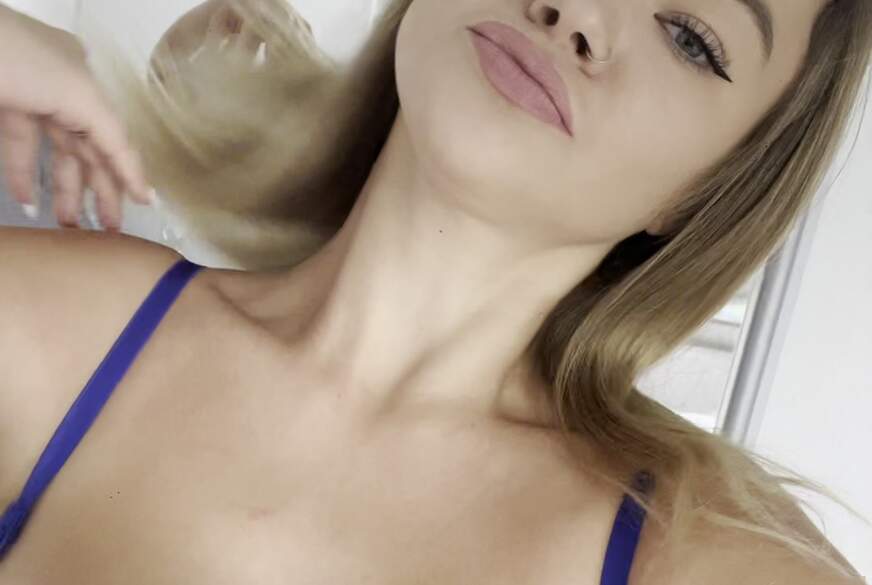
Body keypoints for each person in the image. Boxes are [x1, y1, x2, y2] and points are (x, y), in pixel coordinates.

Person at [0, 0, 869, 583]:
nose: (581, 13)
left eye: (689, 38)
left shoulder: (701, 557)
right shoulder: (52, 332)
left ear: (712, 189)